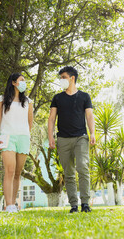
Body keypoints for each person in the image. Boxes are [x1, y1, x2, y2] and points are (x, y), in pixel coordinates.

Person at [48, 66, 96, 213]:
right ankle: (74, 205)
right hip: (63, 139)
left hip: (81, 137)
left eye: (63, 77)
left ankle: (85, 203)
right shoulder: (57, 98)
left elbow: (89, 116)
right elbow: (51, 119)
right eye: (60, 77)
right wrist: (51, 136)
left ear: (72, 78)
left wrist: (92, 133)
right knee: (68, 173)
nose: (61, 80)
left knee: (82, 167)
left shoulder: (84, 96)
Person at [0, 73, 33, 213]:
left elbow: (30, 122)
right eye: (22, 80)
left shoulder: (28, 101)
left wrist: (25, 135)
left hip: (23, 138)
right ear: (14, 82)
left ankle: (14, 203)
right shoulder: (1, 100)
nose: (24, 83)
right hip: (7, 137)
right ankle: (8, 205)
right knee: (9, 170)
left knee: (17, 173)